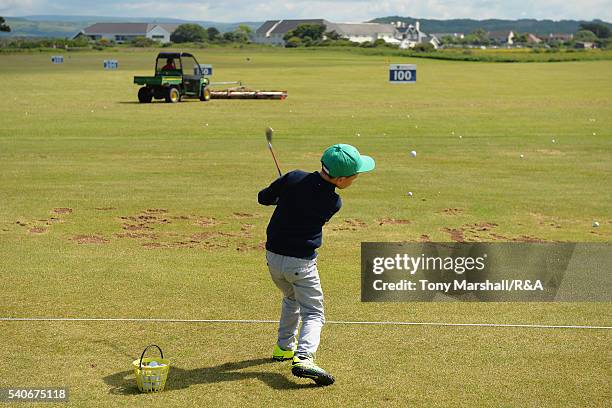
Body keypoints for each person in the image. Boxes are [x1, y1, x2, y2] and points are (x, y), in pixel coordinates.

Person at [258, 144, 375, 386]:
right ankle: (304, 358)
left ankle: (283, 348)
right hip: (300, 263)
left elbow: (263, 198)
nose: (356, 179)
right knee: (314, 312)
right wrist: (287, 194)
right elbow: (305, 203)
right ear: (341, 180)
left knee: (291, 298)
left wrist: (282, 191)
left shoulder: (293, 178)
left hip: (273, 259)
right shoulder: (333, 202)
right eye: (355, 176)